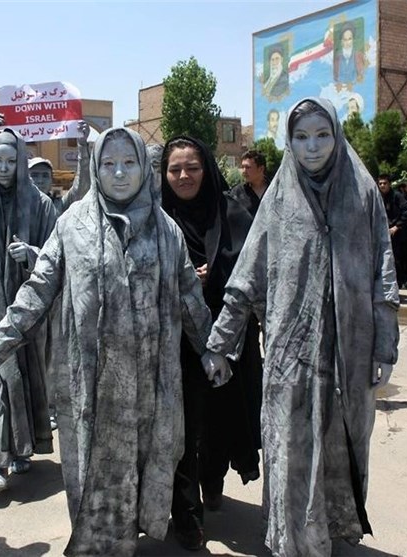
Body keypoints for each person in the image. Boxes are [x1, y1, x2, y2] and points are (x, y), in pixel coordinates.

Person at [0, 127, 216, 556]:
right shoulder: (72, 225)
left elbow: (189, 298)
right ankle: (101, 543)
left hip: (149, 383)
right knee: (94, 471)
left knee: (146, 464)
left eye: (129, 163)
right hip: (90, 382)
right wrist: (0, 339)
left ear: (144, 169)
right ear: (96, 169)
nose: (119, 173)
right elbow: (38, 290)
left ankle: (129, 535)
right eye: (108, 164)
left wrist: (211, 349)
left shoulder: (166, 231)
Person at [202, 98, 399, 556]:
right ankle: (292, 542)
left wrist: (384, 346)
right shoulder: (278, 200)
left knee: (340, 445)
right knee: (289, 449)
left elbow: (383, 275)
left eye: (322, 135)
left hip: (349, 355)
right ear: (289, 142)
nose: (312, 147)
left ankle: (327, 534)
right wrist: (220, 343)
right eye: (301, 137)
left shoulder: (363, 194)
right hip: (290, 357)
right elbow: (246, 278)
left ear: (337, 136)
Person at [161, 136, 262, 550]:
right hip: (174, 341)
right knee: (182, 428)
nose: (184, 176)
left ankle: (214, 479)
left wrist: (216, 278)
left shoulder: (232, 213)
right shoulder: (155, 219)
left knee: (220, 419)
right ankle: (187, 515)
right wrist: (182, 279)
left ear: (207, 170)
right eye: (175, 169)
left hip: (227, 336)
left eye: (193, 168)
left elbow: (253, 270)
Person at [0, 128, 57, 493]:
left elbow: (55, 254)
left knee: (26, 379)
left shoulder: (40, 205)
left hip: (28, 309)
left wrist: (32, 254)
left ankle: (22, 448)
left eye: (11, 161)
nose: (3, 168)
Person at [378, 175, 407, 287]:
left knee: (396, 260)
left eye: (385, 183)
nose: (382, 186)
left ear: (389, 184)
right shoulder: (378, 196)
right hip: (382, 232)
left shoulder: (397, 196)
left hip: (396, 234)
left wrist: (397, 226)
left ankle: (398, 284)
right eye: (380, 184)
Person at [231, 149, 268, 217]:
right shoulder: (237, 193)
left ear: (261, 169)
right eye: (242, 167)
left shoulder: (275, 191)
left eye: (248, 167)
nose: (244, 171)